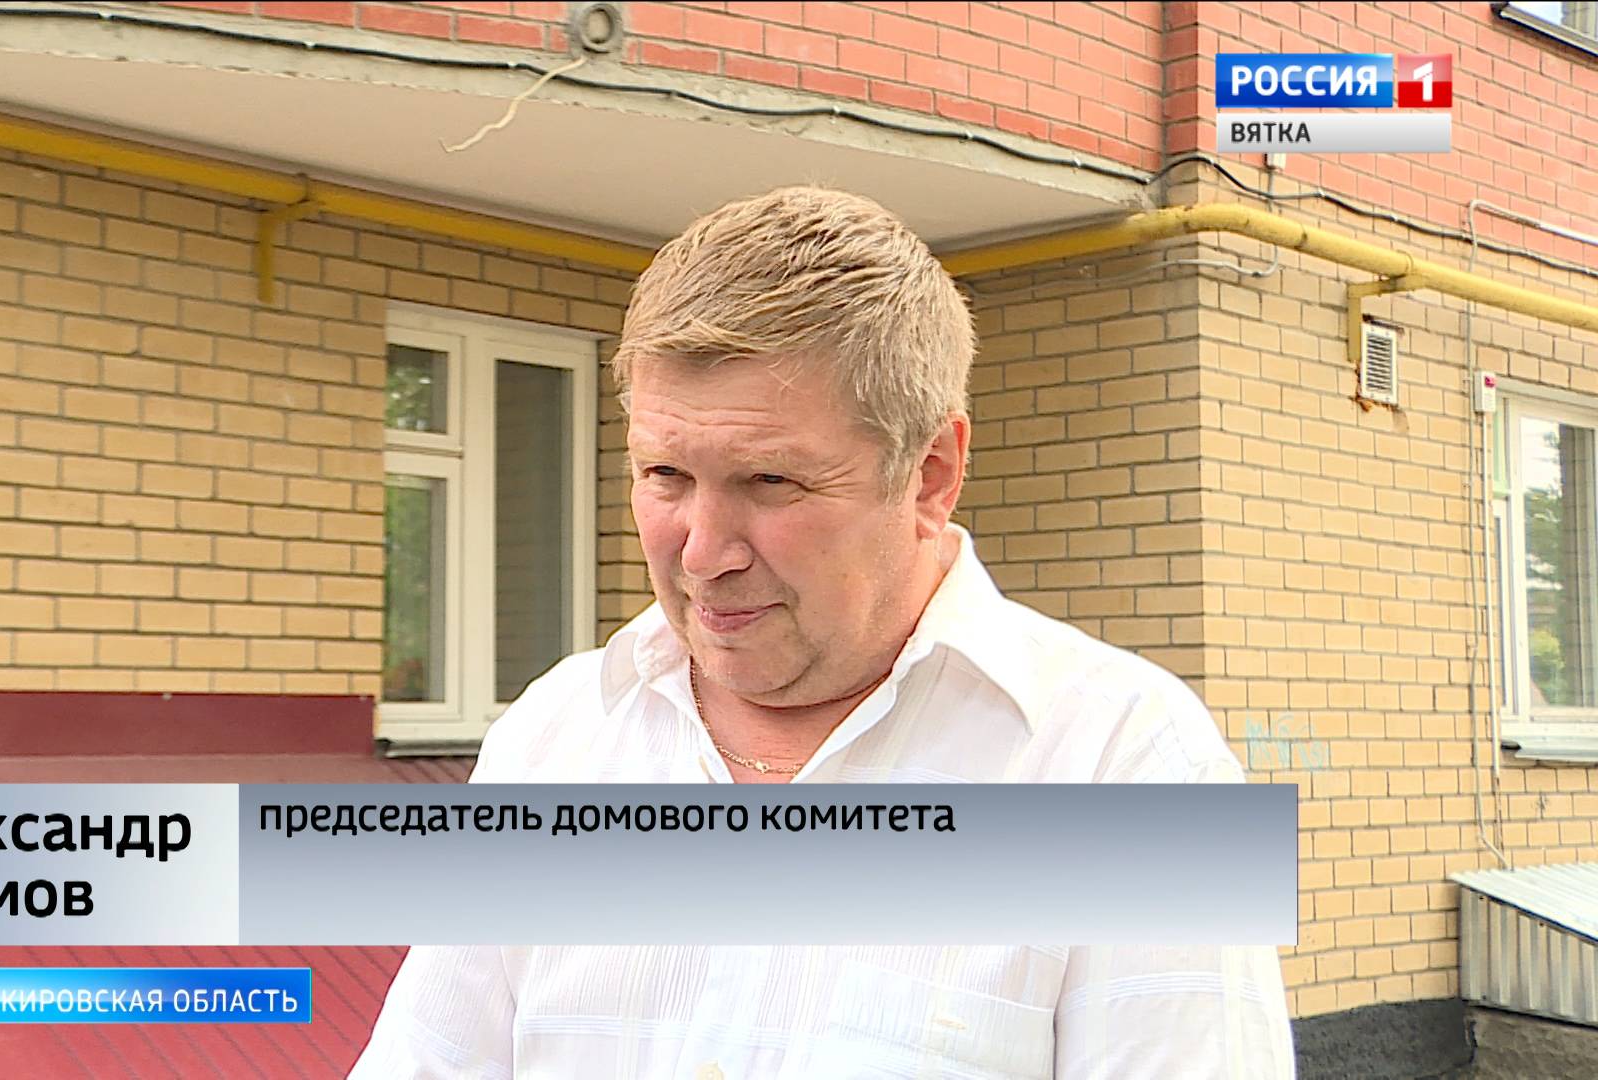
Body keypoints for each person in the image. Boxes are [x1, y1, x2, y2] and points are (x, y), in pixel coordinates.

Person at [350, 186, 1295, 1078]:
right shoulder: (551, 738)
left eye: (771, 482)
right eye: (665, 475)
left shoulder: (1128, 764)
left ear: (929, 474)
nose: (703, 552)